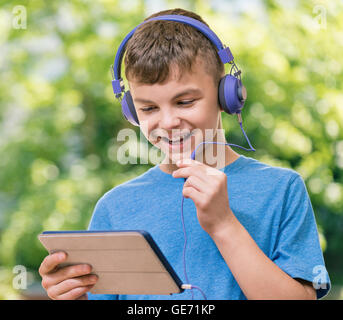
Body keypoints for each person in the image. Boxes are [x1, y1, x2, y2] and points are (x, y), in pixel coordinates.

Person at [38, 8, 330, 300]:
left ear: (226, 95)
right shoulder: (114, 207)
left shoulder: (282, 190)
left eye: (185, 101)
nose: (167, 122)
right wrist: (73, 296)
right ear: (131, 111)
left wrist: (224, 225)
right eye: (149, 108)